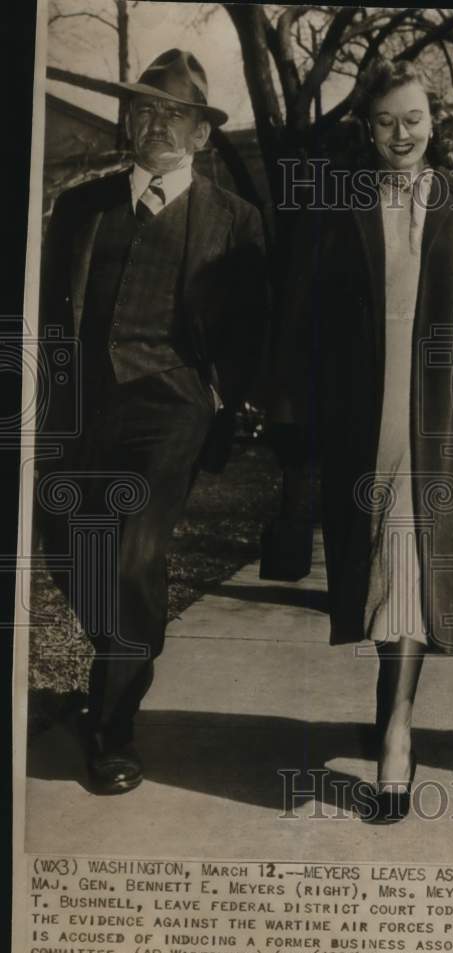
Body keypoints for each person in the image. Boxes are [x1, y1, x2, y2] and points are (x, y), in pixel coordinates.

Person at [272, 58, 453, 823]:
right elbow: (305, 319)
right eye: (385, 121)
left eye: (413, 118)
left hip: (445, 413)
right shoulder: (338, 205)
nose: (401, 134)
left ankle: (396, 739)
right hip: (363, 413)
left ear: (436, 120)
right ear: (367, 129)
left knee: (410, 560)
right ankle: (392, 711)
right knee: (379, 564)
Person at [39, 49, 268, 794]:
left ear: (202, 135)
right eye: (142, 110)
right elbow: (45, 313)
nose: (155, 125)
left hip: (169, 411)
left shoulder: (235, 221)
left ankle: (112, 728)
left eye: (175, 114)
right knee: (71, 552)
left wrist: (223, 400)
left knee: (134, 559)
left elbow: (251, 331)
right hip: (78, 413)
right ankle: (120, 657)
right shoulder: (82, 206)